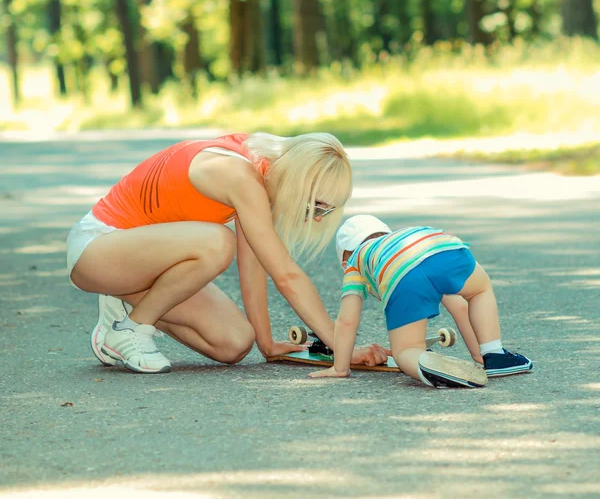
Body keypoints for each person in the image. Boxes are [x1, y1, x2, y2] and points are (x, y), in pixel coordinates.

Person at [66, 132, 389, 374]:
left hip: (137, 260)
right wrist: (342, 346)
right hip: (97, 251)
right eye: (316, 205)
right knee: (218, 242)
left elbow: (255, 267)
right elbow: (286, 275)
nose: (318, 217)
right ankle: (131, 329)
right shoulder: (238, 174)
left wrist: (267, 344)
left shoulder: (265, 173)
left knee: (233, 344)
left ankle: (123, 303)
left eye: (327, 209)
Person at [308, 215, 533, 388]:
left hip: (403, 274)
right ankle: (494, 354)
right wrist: (478, 355)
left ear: (344, 261)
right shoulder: (400, 238)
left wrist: (340, 367)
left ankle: (422, 362)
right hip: (444, 247)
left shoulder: (355, 263)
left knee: (405, 349)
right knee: (479, 291)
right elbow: (459, 306)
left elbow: (347, 320)